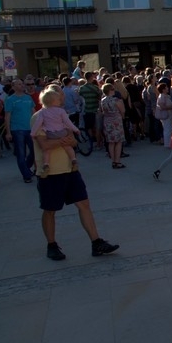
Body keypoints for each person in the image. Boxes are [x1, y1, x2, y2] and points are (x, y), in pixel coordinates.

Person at [33, 85, 119, 261]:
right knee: (50, 210)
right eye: (58, 94)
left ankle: (96, 242)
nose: (62, 97)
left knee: (84, 204)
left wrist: (60, 140)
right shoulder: (39, 116)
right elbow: (44, 144)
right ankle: (51, 245)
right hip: (49, 172)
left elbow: (73, 141)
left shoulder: (62, 114)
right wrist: (62, 140)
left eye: (61, 94)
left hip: (70, 169)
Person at [31, 89, 80, 177]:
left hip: (50, 134)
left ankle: (46, 164)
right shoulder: (61, 111)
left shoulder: (42, 112)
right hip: (62, 132)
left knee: (47, 151)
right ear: (54, 101)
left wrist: (33, 133)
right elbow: (68, 122)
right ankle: (73, 160)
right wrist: (75, 129)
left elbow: (38, 124)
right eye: (59, 98)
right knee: (68, 147)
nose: (61, 100)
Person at [4, 78, 36, 182]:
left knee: (34, 151)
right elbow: (7, 116)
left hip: (30, 128)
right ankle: (26, 175)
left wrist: (37, 125)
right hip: (17, 130)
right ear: (13, 87)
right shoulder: (10, 99)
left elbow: (34, 112)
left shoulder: (28, 97)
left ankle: (25, 167)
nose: (22, 85)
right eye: (18, 84)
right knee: (21, 153)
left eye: (22, 84)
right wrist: (8, 132)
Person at [101, 83, 126, 169]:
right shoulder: (116, 100)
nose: (114, 90)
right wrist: (122, 117)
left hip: (107, 122)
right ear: (109, 90)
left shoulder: (103, 100)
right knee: (118, 141)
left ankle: (113, 161)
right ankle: (117, 161)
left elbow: (103, 111)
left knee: (111, 142)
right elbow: (122, 110)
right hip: (116, 121)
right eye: (112, 89)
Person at [155, 82, 172, 148]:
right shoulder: (162, 96)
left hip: (169, 115)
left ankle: (169, 143)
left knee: (169, 129)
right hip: (165, 116)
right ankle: (167, 144)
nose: (167, 88)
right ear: (163, 89)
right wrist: (171, 107)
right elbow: (162, 107)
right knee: (167, 130)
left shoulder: (166, 96)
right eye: (166, 87)